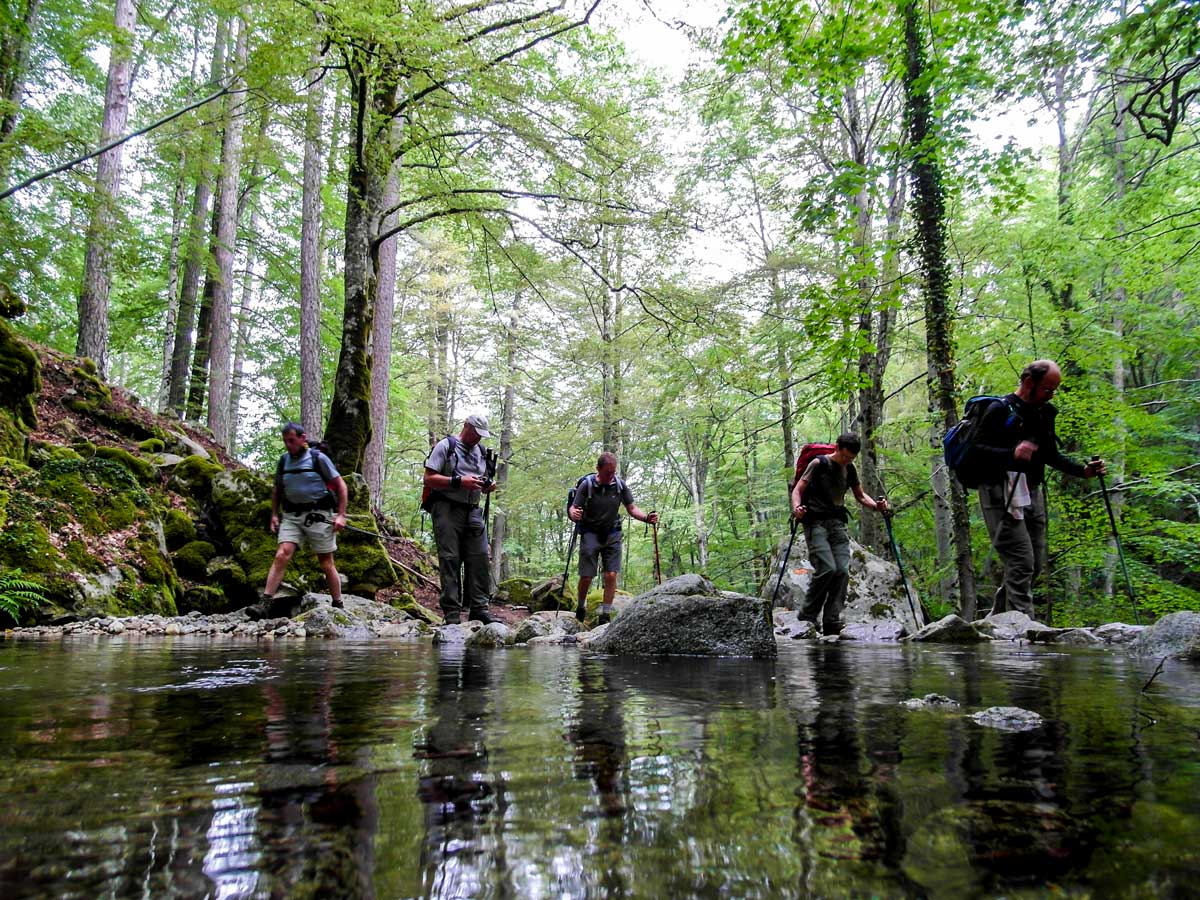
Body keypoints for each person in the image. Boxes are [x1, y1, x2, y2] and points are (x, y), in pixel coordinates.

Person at [970, 359, 1105, 620]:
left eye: (1054, 390)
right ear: (1029, 382)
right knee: (1021, 562)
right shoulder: (999, 409)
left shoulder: (1045, 413)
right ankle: (1024, 631)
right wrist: (1012, 453)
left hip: (1032, 492)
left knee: (1035, 565)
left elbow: (1050, 455)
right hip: (1000, 493)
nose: (1051, 395)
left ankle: (998, 622)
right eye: (1047, 389)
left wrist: (1083, 471)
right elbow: (976, 451)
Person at [790, 432, 889, 635]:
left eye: (851, 458)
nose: (847, 461)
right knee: (826, 568)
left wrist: (877, 507)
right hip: (815, 522)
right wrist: (797, 508)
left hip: (837, 524)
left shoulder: (849, 468)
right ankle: (807, 616)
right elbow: (798, 489)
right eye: (845, 456)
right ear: (837, 448)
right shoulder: (818, 464)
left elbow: (860, 496)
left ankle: (832, 620)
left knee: (842, 571)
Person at [263, 423, 348, 609]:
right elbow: (277, 489)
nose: (288, 444)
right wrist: (274, 514)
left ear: (303, 438)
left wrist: (341, 515)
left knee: (326, 562)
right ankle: (265, 603)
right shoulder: (284, 461)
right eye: (285, 441)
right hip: (292, 516)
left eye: (292, 440)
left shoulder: (319, 458)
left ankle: (338, 603)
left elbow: (341, 486)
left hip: (319, 515)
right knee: (282, 554)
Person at [567, 452, 658, 624]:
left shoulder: (619, 485)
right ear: (598, 469)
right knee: (586, 576)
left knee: (610, 574)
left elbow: (631, 508)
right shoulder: (586, 486)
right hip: (590, 533)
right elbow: (573, 509)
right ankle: (581, 607)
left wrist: (646, 518)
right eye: (608, 472)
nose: (611, 476)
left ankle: (605, 614)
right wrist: (573, 513)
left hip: (612, 534)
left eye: (613, 472)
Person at [424, 414, 498, 624]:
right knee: (450, 559)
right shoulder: (445, 446)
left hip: (473, 511)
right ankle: (452, 613)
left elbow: (485, 482)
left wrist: (488, 486)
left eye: (481, 436)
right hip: (446, 508)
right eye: (476, 434)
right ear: (466, 427)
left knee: (480, 558)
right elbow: (428, 478)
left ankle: (479, 608)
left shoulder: (482, 452)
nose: (478, 439)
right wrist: (458, 482)